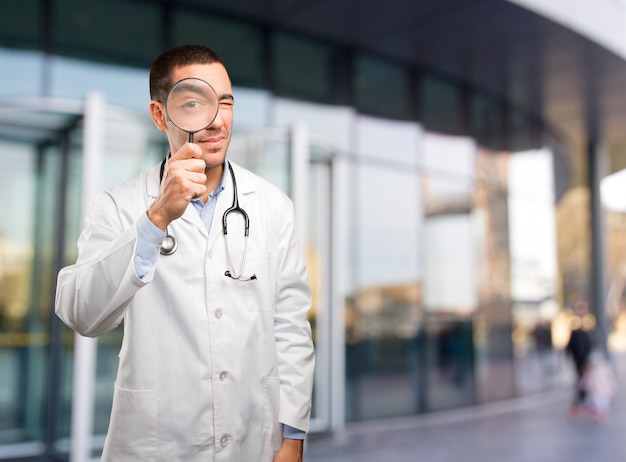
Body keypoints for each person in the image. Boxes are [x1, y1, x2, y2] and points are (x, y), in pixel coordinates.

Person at [55, 44, 315, 461]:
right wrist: (156, 219)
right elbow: (81, 314)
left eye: (226, 102)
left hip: (255, 441)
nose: (217, 120)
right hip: (154, 445)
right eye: (196, 103)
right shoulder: (119, 205)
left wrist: (293, 435)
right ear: (161, 115)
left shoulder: (272, 206)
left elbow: (291, 328)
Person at [565, 301, 593, 416]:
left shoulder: (589, 322)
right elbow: (570, 344)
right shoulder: (574, 324)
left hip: (586, 359)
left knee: (585, 381)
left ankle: (583, 402)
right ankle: (579, 402)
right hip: (579, 360)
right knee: (581, 381)